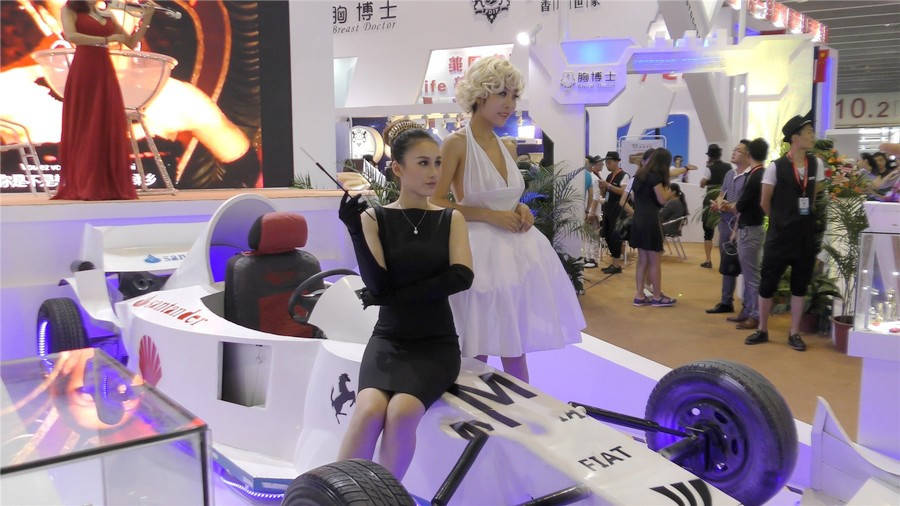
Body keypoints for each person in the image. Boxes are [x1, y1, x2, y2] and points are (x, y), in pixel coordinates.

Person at [433, 56, 585, 383]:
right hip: (478, 254)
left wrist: (520, 209)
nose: (509, 104)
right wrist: (488, 215)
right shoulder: (456, 144)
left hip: (517, 254)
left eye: (513, 96)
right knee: (478, 342)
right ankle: (472, 404)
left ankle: (522, 404)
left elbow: (507, 197)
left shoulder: (507, 146)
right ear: (480, 94)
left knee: (513, 342)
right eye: (501, 93)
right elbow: (436, 200)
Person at [336, 121, 473, 479]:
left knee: (402, 412)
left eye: (437, 162)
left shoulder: (451, 218)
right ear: (397, 169)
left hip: (435, 345)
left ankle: (385, 497)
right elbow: (378, 285)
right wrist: (355, 230)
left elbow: (461, 276)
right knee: (368, 410)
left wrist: (396, 295)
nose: (434, 172)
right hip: (389, 340)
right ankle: (339, 495)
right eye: (423, 163)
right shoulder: (374, 217)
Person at [51, 0, 153, 200]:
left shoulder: (105, 13)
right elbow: (72, 36)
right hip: (84, 68)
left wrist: (146, 18)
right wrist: (105, 40)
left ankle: (106, 182)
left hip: (104, 69)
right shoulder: (69, 10)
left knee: (105, 121)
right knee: (86, 122)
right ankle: (84, 182)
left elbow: (131, 43)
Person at [746, 115, 825, 352]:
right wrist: (781, 221)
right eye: (808, 132)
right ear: (795, 138)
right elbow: (764, 202)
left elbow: (813, 196)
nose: (812, 136)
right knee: (768, 283)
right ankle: (762, 329)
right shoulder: (776, 167)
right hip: (779, 237)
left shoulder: (816, 164)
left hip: (805, 237)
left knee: (800, 286)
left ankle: (794, 332)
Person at [706, 140, 751, 315]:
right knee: (727, 263)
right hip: (725, 224)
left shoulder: (750, 176)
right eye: (734, 150)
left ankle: (748, 306)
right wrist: (718, 204)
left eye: (738, 151)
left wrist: (728, 206)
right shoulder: (729, 174)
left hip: (742, 226)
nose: (733, 153)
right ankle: (726, 302)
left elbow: (745, 204)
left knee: (746, 265)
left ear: (748, 155)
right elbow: (721, 194)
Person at [629, 148, 676, 307]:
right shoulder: (655, 177)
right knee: (655, 261)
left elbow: (634, 198)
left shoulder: (639, 175)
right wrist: (670, 192)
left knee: (642, 260)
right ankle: (656, 296)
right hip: (650, 221)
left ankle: (639, 295)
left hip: (638, 219)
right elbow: (662, 199)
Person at [732, 137, 769, 331]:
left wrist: (727, 206)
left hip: (750, 229)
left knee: (751, 276)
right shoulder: (760, 174)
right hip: (751, 228)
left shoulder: (755, 176)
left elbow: (741, 204)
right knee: (748, 274)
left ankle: (755, 315)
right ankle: (748, 310)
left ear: (749, 154)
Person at [699, 144, 732, 268]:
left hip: (711, 200)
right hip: (725, 200)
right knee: (726, 230)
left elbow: (702, 184)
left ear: (710, 156)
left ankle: (708, 260)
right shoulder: (729, 167)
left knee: (708, 231)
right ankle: (726, 260)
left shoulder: (709, 168)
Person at [595, 151, 628, 274]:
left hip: (618, 211)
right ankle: (614, 263)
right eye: (606, 163)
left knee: (615, 237)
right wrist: (603, 188)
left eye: (609, 163)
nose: (607, 165)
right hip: (608, 209)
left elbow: (623, 192)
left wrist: (608, 186)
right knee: (607, 235)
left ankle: (616, 264)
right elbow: (606, 195)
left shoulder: (624, 175)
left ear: (616, 162)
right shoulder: (609, 176)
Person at [582, 155, 604, 269]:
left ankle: (593, 259)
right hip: (589, 211)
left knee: (593, 236)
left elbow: (594, 197)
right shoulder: (589, 177)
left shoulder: (593, 178)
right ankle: (587, 257)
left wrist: (590, 212)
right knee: (587, 236)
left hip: (592, 211)